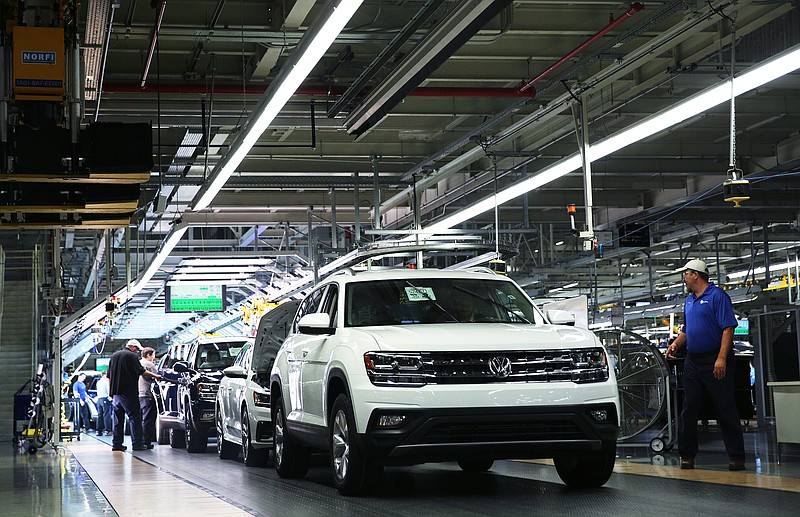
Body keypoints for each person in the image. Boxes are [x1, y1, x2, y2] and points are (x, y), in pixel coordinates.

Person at [666, 259, 745, 471]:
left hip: (715, 359)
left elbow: (728, 328)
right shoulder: (689, 301)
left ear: (696, 275)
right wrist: (676, 344)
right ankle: (687, 456)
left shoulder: (717, 297)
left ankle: (736, 456)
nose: (683, 278)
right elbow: (687, 329)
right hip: (693, 361)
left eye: (686, 273)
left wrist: (721, 358)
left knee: (725, 408)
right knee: (689, 409)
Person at [108, 339, 162, 451]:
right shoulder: (131, 356)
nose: (137, 352)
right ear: (132, 347)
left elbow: (109, 376)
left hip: (116, 394)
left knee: (118, 420)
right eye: (137, 349)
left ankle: (116, 444)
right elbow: (142, 371)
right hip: (128, 393)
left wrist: (111, 392)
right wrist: (155, 376)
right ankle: (137, 444)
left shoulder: (113, 356)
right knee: (135, 418)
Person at [139, 347, 159, 448]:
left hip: (138, 394)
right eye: (153, 355)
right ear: (148, 355)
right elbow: (157, 377)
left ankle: (139, 441)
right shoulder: (149, 364)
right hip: (147, 394)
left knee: (140, 419)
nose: (153, 357)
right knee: (148, 419)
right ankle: (146, 441)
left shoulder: (138, 363)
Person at [95, 371, 113, 436]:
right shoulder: (106, 381)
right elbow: (108, 390)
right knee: (106, 415)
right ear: (104, 375)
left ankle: (98, 431)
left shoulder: (98, 382)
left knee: (100, 415)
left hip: (99, 399)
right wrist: (111, 397)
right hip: (105, 399)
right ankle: (107, 431)